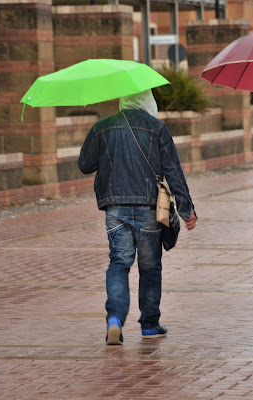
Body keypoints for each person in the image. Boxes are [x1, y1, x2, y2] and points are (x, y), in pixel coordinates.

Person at [78, 89, 197, 346]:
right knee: (150, 267)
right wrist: (186, 209)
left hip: (115, 208)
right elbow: (173, 170)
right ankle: (150, 325)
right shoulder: (157, 128)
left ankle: (114, 320)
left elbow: (84, 164)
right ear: (148, 102)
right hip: (149, 208)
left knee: (119, 263)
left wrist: (100, 139)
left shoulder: (103, 127)